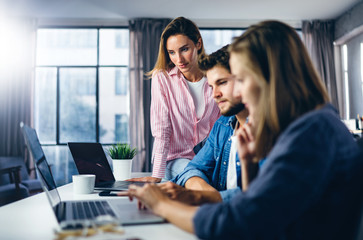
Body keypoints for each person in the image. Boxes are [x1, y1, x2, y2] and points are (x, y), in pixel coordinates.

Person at [125, 20, 363, 239]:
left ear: (268, 75)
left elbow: (239, 223)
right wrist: (248, 171)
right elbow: (260, 209)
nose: (237, 92)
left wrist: (160, 205)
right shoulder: (311, 124)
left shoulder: (311, 134)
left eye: (240, 79)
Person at [130, 17, 220, 182]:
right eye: (172, 52)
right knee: (195, 177)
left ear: (198, 44)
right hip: (175, 159)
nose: (179, 59)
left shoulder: (216, 77)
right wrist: (156, 175)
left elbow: (223, 124)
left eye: (184, 49)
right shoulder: (162, 78)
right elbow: (162, 130)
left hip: (210, 159)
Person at [170, 45, 257, 203]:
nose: (214, 94)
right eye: (211, 86)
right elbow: (192, 170)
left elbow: (262, 196)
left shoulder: (271, 129)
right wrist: (207, 195)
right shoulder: (222, 125)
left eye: (222, 82)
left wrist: (200, 196)